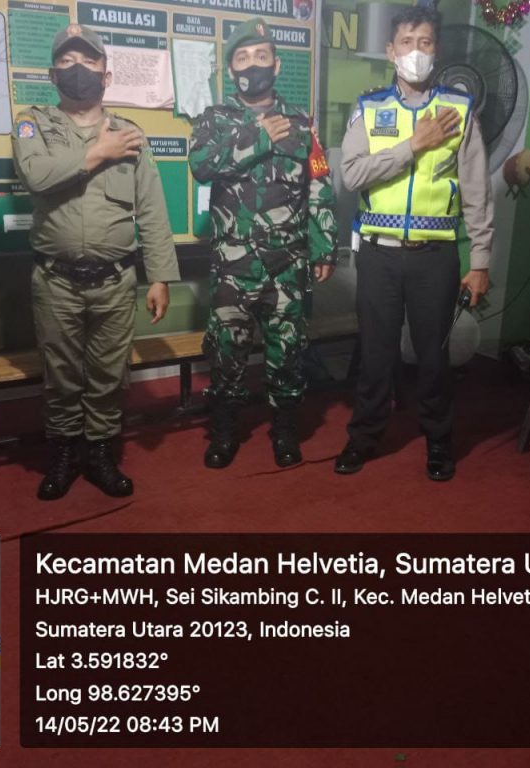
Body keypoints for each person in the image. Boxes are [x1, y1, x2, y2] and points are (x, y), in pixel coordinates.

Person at [12, 24, 180, 501]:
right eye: (67, 62)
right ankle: (64, 455)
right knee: (61, 376)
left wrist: (160, 276)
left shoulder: (131, 135)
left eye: (88, 61)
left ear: (106, 76)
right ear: (52, 75)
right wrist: (98, 152)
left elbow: (152, 208)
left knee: (109, 375)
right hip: (56, 281)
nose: (77, 69)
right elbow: (37, 175)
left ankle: (101, 454)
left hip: (115, 281)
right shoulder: (32, 124)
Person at [334, 5, 493, 481]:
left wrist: (480, 261)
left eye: (424, 42)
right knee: (375, 355)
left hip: (435, 257)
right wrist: (412, 146)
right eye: (407, 42)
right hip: (378, 254)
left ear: (436, 49)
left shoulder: (459, 111)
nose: (416, 52)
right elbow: (351, 175)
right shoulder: (369, 108)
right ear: (391, 51)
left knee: (434, 358)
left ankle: (439, 442)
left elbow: (478, 191)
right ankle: (363, 437)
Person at [189, 17, 338, 469]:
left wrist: (324, 245)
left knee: (287, 352)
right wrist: (258, 136)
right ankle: (224, 430)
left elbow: (318, 185)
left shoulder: (301, 122)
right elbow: (201, 165)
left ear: (276, 64)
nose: (252, 64)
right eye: (242, 58)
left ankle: (285, 428)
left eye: (261, 55)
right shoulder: (214, 119)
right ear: (230, 70)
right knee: (227, 353)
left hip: (286, 265)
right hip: (233, 267)